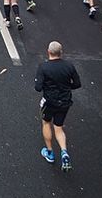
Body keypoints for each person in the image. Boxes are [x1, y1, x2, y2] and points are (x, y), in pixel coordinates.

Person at [34, 41, 82, 171]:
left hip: (49, 102)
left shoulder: (43, 67)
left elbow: (37, 87)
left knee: (46, 123)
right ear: (61, 53)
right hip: (65, 102)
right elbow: (77, 84)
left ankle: (50, 153)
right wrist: (67, 87)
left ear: (48, 52)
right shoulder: (69, 66)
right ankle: (64, 151)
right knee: (59, 127)